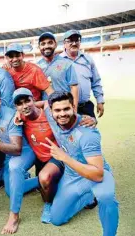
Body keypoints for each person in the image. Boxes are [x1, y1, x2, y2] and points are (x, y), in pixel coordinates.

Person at [41, 92, 119, 235]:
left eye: (66, 109)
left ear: (73, 107)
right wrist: (18, 113)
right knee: (56, 219)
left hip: (94, 173)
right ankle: (88, 197)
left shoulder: (87, 133)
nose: (62, 114)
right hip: (72, 176)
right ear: (51, 111)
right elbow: (44, 103)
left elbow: (98, 174)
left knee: (106, 197)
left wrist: (64, 157)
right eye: (57, 110)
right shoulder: (51, 116)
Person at [0, 86, 38, 234]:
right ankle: (40, 180)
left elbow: (17, 148)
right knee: (9, 191)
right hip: (8, 153)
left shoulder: (12, 117)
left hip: (24, 152)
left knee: (13, 167)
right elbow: (1, 139)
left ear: (0, 101)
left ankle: (14, 217)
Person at [12, 88, 64, 223]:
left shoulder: (48, 112)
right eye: (20, 104)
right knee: (44, 186)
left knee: (45, 177)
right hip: (40, 160)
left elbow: (49, 103)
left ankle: (48, 206)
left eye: (27, 101)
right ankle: (55, 184)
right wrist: (18, 112)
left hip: (56, 156)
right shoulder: (20, 117)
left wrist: (86, 119)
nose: (25, 106)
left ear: (33, 99)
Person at [60, 30, 105, 118]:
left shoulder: (87, 59)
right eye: (70, 41)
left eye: (77, 40)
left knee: (90, 131)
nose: (74, 43)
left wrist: (100, 100)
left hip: (86, 107)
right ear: (64, 43)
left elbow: (95, 81)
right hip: (66, 108)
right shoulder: (58, 61)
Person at [37, 32, 79, 111]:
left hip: (65, 108)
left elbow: (74, 87)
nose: (46, 46)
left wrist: (74, 109)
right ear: (39, 47)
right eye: (43, 44)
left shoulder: (66, 63)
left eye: (50, 43)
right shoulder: (37, 67)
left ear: (55, 44)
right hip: (47, 109)